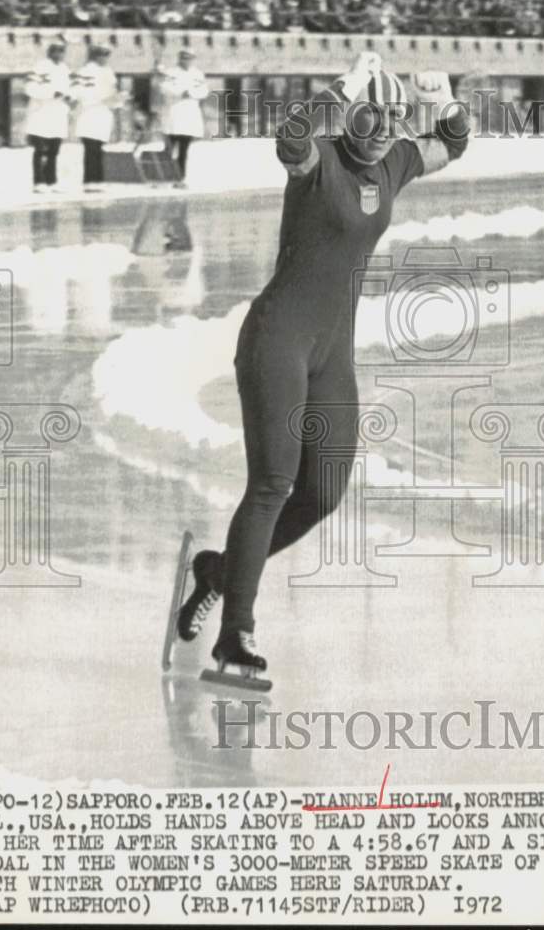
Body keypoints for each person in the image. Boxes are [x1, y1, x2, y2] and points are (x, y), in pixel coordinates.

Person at [176, 53, 470, 683]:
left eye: (395, 118)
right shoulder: (319, 161)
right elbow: (290, 138)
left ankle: (219, 573)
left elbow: (454, 145)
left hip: (333, 353)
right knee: (272, 484)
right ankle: (236, 637)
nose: (386, 129)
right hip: (277, 339)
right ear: (351, 116)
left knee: (324, 492)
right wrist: (336, 89)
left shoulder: (393, 162)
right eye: (373, 115)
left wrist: (445, 104)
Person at [71, 46, 120, 193]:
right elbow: (80, 92)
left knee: (98, 149)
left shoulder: (108, 72)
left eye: (106, 55)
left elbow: (112, 92)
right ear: (94, 56)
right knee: (90, 148)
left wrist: (118, 100)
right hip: (89, 114)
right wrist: (103, 98)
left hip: (103, 115)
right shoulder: (86, 71)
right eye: (101, 55)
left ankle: (98, 180)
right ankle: (89, 181)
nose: (104, 58)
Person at [24, 41, 71, 193]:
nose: (59, 54)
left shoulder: (65, 69)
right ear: (50, 52)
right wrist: (51, 93)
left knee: (54, 150)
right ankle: (39, 182)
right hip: (41, 113)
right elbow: (30, 88)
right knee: (40, 150)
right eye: (56, 51)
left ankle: (52, 181)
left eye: (62, 51)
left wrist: (70, 97)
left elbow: (69, 89)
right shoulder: (41, 67)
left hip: (57, 115)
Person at [158, 50, 209, 188]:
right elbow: (164, 88)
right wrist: (181, 92)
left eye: (190, 58)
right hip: (173, 114)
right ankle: (162, 177)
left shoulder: (197, 74)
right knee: (169, 149)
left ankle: (180, 178)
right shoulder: (171, 73)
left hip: (189, 116)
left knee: (184, 150)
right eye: (184, 58)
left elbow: (204, 91)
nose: (187, 61)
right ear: (179, 58)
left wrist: (191, 92)